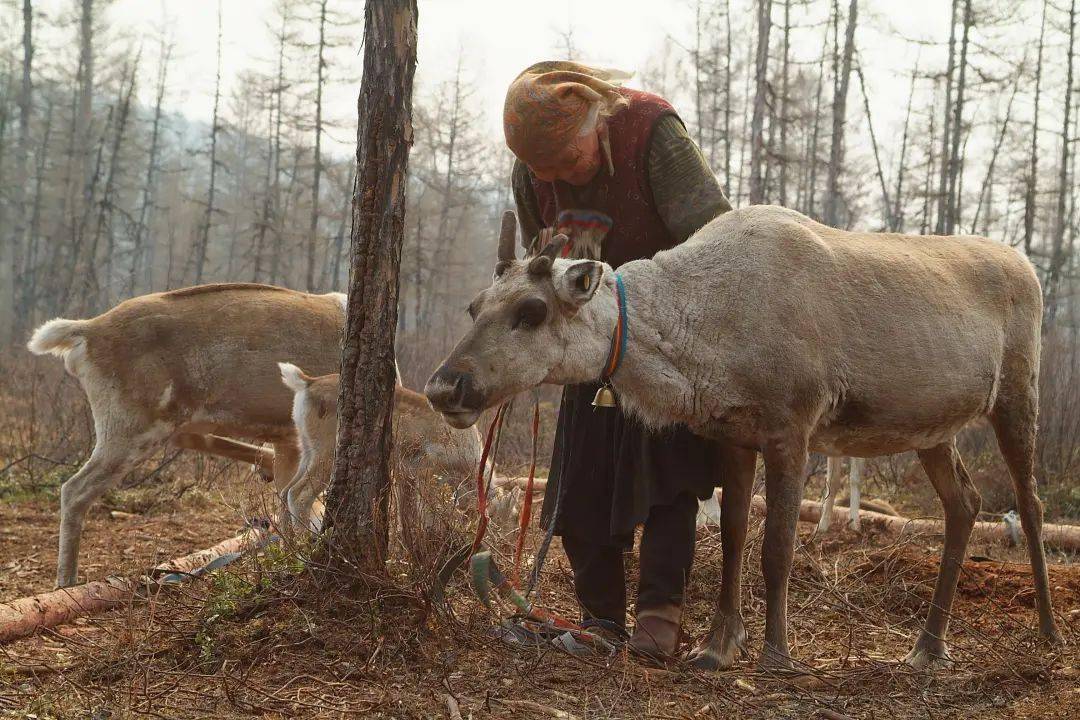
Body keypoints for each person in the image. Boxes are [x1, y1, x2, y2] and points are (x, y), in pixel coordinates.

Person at [503, 60, 733, 659]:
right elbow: (540, 261)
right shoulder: (533, 170)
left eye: (564, 158)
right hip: (584, 341)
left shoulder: (652, 133)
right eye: (541, 167)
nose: (555, 175)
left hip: (665, 339)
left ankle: (660, 618)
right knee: (581, 477)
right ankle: (600, 620)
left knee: (666, 478)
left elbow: (715, 241)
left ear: (593, 117)